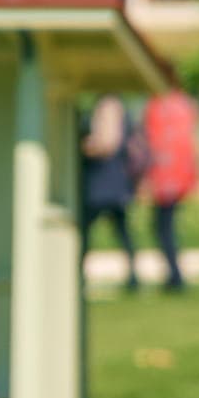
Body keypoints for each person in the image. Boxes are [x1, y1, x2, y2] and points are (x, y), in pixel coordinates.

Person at [142, 75, 199, 294]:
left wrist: (146, 179)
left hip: (164, 176)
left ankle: (174, 276)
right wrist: (198, 176)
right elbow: (193, 142)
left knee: (163, 228)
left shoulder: (157, 105)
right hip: (180, 175)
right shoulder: (186, 105)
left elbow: (150, 144)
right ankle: (174, 274)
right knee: (166, 227)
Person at [79, 93, 140, 292]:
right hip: (117, 186)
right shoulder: (126, 117)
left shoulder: (103, 112)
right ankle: (133, 277)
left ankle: (78, 274)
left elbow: (105, 146)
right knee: (123, 234)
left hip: (99, 186)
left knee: (86, 234)